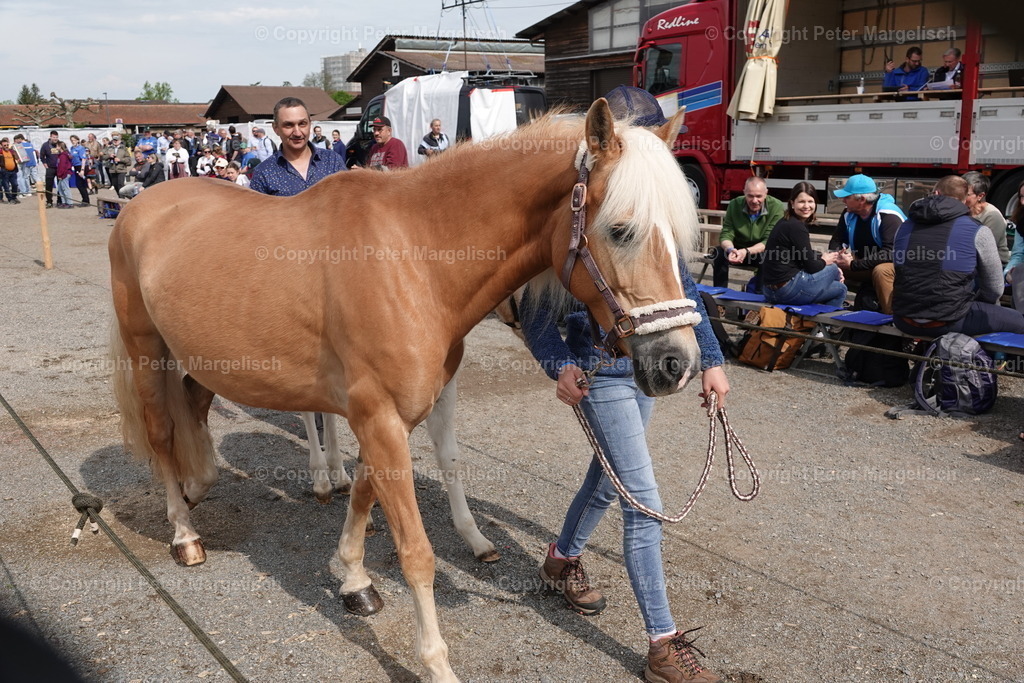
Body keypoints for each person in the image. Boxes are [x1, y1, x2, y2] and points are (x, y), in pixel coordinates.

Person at [521, 87, 727, 683]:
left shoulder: (645, 199)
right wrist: (557, 363)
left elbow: (680, 289)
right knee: (644, 500)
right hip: (597, 368)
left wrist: (711, 359)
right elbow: (536, 302)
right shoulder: (583, 202)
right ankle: (662, 645)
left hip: (642, 360)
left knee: (609, 481)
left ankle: (560, 561)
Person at [892, 175, 1024, 338]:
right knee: (1018, 320)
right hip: (950, 320)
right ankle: (1000, 362)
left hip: (903, 319)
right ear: (965, 200)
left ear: (936, 193)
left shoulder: (903, 226)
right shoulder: (977, 230)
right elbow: (995, 288)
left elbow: (900, 271)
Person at [828, 174, 907, 313]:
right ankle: (828, 315)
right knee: (826, 264)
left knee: (881, 271)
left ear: (862, 200)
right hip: (865, 263)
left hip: (897, 267)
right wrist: (837, 256)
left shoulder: (888, 214)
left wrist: (854, 265)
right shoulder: (848, 212)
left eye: (847, 196)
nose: (842, 200)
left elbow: (891, 252)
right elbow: (837, 240)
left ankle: (893, 320)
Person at [761, 183, 847, 308]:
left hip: (769, 291)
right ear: (792, 203)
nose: (806, 206)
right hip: (786, 291)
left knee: (840, 288)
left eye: (810, 201)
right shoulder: (796, 227)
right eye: (801, 202)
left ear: (815, 203)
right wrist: (825, 261)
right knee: (834, 272)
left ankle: (811, 322)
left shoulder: (786, 221)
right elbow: (812, 266)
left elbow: (803, 253)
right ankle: (825, 326)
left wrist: (822, 257)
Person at [250, 97, 347, 196]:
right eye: (288, 125)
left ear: (310, 124)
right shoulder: (264, 173)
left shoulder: (332, 162)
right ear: (276, 128)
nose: (297, 133)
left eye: (302, 124)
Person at [713, 176, 784, 288]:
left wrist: (746, 251)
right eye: (750, 196)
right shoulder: (734, 204)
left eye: (759, 196)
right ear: (744, 193)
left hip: (758, 251)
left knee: (769, 255)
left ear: (766, 193)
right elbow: (727, 232)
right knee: (718, 253)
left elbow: (769, 240)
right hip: (737, 250)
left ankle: (759, 295)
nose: (754, 201)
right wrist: (730, 249)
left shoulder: (776, 207)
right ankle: (719, 293)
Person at [962, 172, 1009, 265]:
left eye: (966, 194)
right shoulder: (960, 210)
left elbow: (985, 250)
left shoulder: (992, 216)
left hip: (992, 264)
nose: (960, 198)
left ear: (980, 196)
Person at [1003, 180, 1024, 313]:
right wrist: (1008, 272)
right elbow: (1018, 253)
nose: (1023, 202)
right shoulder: (1022, 221)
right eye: (1022, 197)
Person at [39, 130, 61, 208]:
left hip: (59, 168)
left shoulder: (60, 144)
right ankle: (49, 201)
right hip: (50, 168)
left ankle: (60, 201)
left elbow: (66, 153)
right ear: (50, 137)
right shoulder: (45, 145)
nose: (55, 139)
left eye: (56, 137)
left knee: (60, 185)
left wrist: (60, 150)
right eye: (54, 137)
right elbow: (41, 156)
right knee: (49, 185)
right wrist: (45, 164)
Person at [68, 135, 91, 206]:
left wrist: (82, 170)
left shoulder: (80, 148)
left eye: (74, 140)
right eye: (71, 140)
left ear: (78, 140)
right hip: (75, 166)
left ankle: (86, 200)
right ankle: (84, 199)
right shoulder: (72, 148)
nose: (73, 142)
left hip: (81, 166)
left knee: (80, 184)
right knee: (79, 184)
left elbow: (83, 159)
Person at [13, 134, 38, 198]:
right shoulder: (30, 144)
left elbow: (21, 155)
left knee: (26, 177)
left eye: (17, 140)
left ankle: (28, 191)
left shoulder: (21, 145)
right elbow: (34, 153)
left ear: (20, 139)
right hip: (33, 162)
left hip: (26, 163)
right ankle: (40, 189)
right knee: (35, 176)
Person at [0, 137, 20, 204]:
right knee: (6, 186)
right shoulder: (0, 152)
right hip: (4, 171)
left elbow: (18, 158)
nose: (6, 146)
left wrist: (19, 158)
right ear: (1, 146)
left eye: (7, 145)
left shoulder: (11, 151)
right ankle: (10, 199)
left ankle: (14, 197)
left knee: (15, 185)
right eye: (4, 145)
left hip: (13, 171)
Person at [54, 141, 74, 208]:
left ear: (60, 147)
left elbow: (62, 166)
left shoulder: (63, 156)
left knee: (65, 188)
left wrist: (60, 175)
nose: (56, 147)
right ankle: (64, 202)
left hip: (65, 174)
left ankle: (70, 203)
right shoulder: (60, 155)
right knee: (60, 188)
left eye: (57, 146)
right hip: (62, 174)